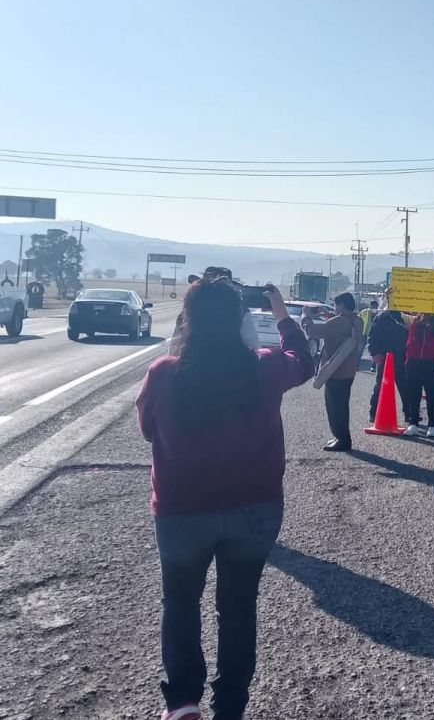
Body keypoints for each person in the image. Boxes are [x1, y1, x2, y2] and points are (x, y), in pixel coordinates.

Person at [136, 280, 314, 720]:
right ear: (240, 321)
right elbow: (303, 359)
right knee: (237, 608)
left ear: (188, 321)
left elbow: (147, 430)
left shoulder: (164, 372)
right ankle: (230, 707)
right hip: (255, 508)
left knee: (180, 602)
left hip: (181, 510)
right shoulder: (265, 365)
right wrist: (280, 312)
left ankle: (183, 701)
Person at [303, 292, 363, 452]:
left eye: (336, 305)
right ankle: (341, 437)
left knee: (335, 407)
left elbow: (313, 332)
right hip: (348, 370)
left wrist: (306, 317)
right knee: (342, 406)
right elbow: (340, 327)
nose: (335, 307)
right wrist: (329, 316)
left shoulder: (338, 322)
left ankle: (342, 439)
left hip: (335, 371)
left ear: (341, 305)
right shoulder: (357, 320)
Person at [169, 267, 258, 357]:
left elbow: (174, 351)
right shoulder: (242, 314)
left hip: (192, 362)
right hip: (233, 363)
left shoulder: (186, 315)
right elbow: (253, 347)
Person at [403, 302, 434, 439]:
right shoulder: (413, 320)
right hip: (412, 362)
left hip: (430, 363)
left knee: (431, 395)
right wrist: (389, 298)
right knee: (413, 394)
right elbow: (396, 315)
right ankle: (413, 423)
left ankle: (432, 424)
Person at [367, 307, 409, 423]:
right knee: (380, 386)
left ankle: (409, 413)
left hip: (402, 358)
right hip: (384, 358)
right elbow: (372, 336)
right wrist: (374, 353)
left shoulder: (406, 317)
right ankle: (374, 413)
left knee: (405, 387)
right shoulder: (382, 316)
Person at [361, 300, 380, 372]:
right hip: (365, 333)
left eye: (375, 307)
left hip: (375, 335)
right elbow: (359, 319)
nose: (374, 308)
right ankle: (356, 365)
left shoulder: (379, 313)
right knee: (360, 349)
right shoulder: (364, 312)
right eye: (372, 306)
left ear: (377, 307)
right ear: (370, 306)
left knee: (374, 350)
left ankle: (373, 366)